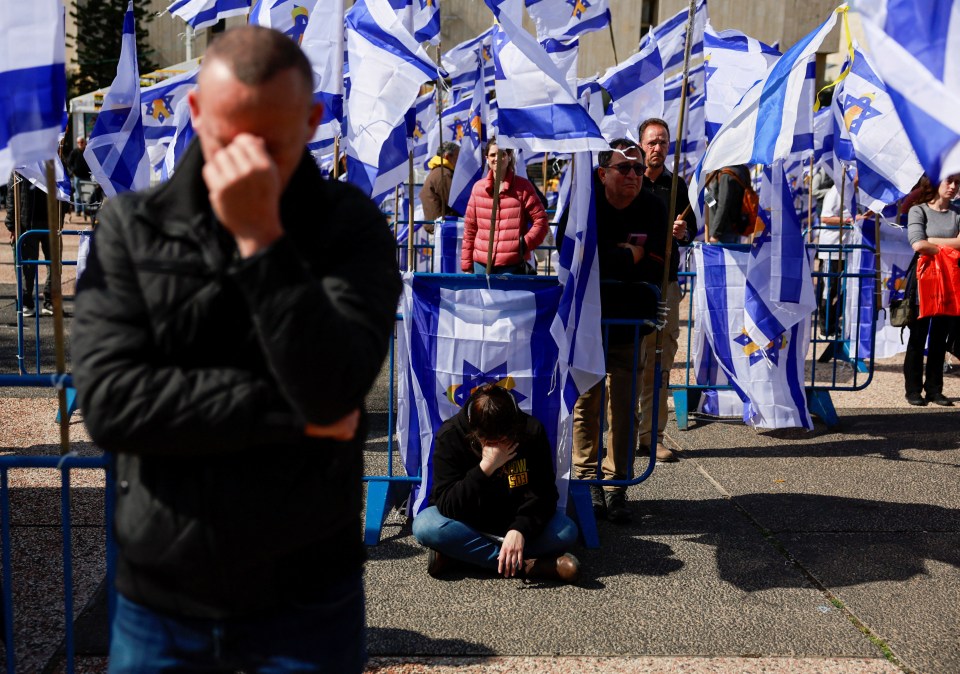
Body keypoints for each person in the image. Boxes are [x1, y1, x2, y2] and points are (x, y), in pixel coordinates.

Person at [70, 26, 401, 673]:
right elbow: (112, 405)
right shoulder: (132, 225)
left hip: (303, 603)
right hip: (161, 600)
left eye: (270, 144)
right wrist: (292, 417)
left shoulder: (351, 227)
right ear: (196, 113)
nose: (245, 163)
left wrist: (262, 242)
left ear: (311, 122)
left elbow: (334, 384)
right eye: (228, 137)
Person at [559, 138, 666, 524]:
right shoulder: (585, 203)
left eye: (638, 169)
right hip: (587, 319)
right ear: (603, 173)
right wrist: (625, 255)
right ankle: (587, 480)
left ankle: (617, 483)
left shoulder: (654, 206)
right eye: (625, 169)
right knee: (586, 401)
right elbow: (571, 256)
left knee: (624, 406)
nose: (634, 176)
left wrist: (611, 260)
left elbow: (656, 266)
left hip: (631, 322)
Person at [412, 383, 581, 583]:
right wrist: (485, 468)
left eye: (503, 439)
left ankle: (459, 555)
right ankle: (528, 567)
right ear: (474, 433)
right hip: (466, 524)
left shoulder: (531, 430)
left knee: (566, 531)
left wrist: (519, 529)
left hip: (514, 521)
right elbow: (447, 503)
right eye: (490, 442)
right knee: (426, 525)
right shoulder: (451, 435)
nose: (498, 447)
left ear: (514, 429)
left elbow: (544, 495)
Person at [637, 117, 695, 463]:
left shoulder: (678, 187)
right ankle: (624, 433)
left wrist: (682, 231)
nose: (657, 148)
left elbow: (693, 231)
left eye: (663, 142)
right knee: (630, 360)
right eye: (651, 142)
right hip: (634, 285)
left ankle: (652, 435)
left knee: (661, 360)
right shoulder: (629, 181)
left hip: (666, 284)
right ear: (641, 145)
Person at [903, 173, 960, 407]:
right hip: (924, 280)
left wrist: (932, 242)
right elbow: (918, 243)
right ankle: (913, 390)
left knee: (939, 337)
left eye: (958, 182)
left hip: (951, 281)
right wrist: (950, 249)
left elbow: (927, 242)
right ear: (936, 183)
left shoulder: (957, 213)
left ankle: (935, 389)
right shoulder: (918, 210)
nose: (954, 187)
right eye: (950, 181)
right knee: (918, 337)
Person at [461, 137, 549, 274]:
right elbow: (470, 229)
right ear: (486, 158)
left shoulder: (523, 187)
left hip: (512, 265)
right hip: (481, 265)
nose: (497, 158)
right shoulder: (478, 188)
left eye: (502, 154)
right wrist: (467, 265)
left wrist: (524, 244)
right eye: (492, 155)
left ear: (509, 157)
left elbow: (541, 221)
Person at [4, 172, 53, 317]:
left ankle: (50, 300)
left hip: (51, 221)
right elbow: (12, 195)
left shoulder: (54, 162)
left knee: (54, 264)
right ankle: (26, 301)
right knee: (28, 266)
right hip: (27, 223)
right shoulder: (20, 166)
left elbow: (65, 188)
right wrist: (12, 224)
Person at [705, 164, 751, 244]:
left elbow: (723, 205)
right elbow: (713, 203)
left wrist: (715, 234)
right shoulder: (742, 169)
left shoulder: (726, 174)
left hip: (724, 232)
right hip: (738, 227)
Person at [421, 141, 461, 230]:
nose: (459, 160)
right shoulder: (444, 174)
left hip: (439, 227)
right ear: (447, 156)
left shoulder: (437, 172)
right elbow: (455, 201)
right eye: (457, 156)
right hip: (444, 229)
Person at [66, 136, 92, 215]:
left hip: (87, 176)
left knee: (86, 194)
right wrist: (73, 170)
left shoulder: (88, 152)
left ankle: (86, 211)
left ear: (85, 143)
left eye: (82, 142)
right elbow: (69, 163)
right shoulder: (74, 152)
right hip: (77, 176)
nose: (80, 144)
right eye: (79, 142)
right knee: (78, 194)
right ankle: (78, 211)